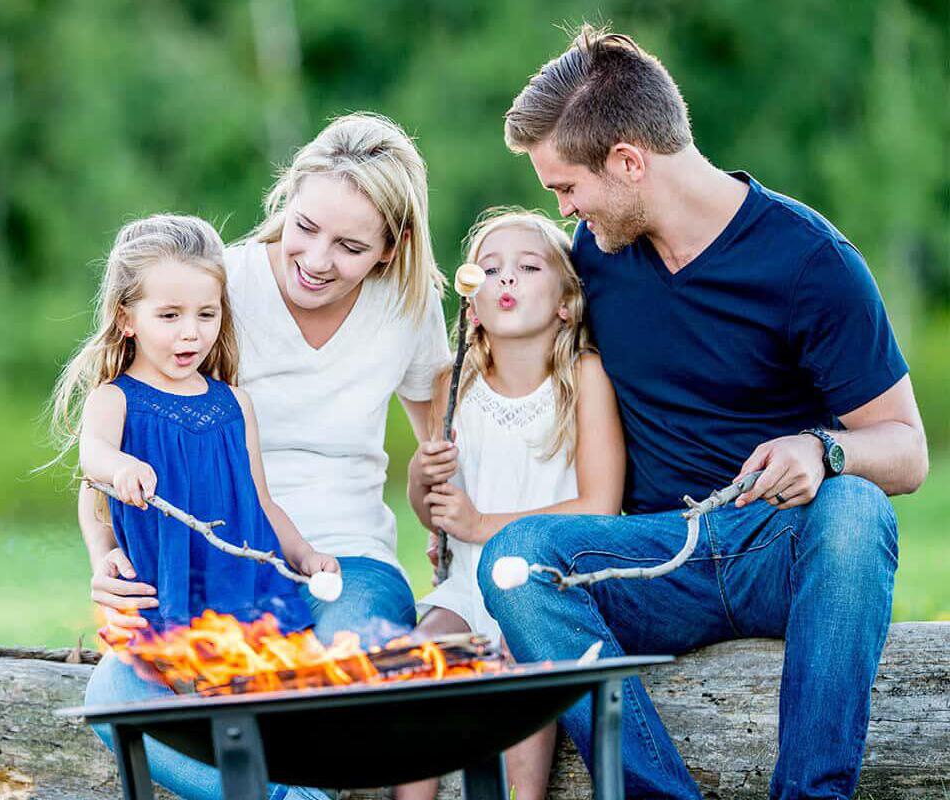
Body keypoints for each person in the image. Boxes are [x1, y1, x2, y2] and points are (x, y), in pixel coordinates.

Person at [479, 25, 930, 799]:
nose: (564, 208)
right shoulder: (597, 259)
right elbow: (503, 324)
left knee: (855, 511)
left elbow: (907, 451)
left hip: (779, 550)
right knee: (515, 562)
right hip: (661, 560)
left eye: (566, 187)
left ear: (628, 161)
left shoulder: (811, 263)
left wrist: (821, 450)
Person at [78, 111, 451, 799]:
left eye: (348, 245)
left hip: (347, 560)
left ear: (391, 248)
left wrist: (445, 536)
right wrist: (103, 554)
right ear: (287, 201)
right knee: (114, 693)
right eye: (304, 227)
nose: (314, 259)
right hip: (215, 562)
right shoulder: (217, 289)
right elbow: (112, 441)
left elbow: (441, 434)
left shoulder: (409, 305)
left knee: (335, 689)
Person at [47, 213, 338, 800]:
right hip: (166, 596)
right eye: (170, 316)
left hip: (242, 594)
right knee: (135, 698)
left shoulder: (234, 403)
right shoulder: (116, 400)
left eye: (206, 315)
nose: (191, 334)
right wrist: (118, 479)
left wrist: (305, 554)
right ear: (127, 318)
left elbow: (259, 500)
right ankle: (277, 797)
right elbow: (93, 463)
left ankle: (289, 785)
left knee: (264, 708)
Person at [399, 208, 625, 800]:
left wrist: (481, 523)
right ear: (471, 303)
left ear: (565, 302)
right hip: (465, 585)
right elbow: (437, 514)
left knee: (510, 655)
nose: (506, 279)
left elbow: (600, 505)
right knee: (418, 655)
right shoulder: (456, 385)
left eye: (527, 268)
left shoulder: (585, 378)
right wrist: (422, 477)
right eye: (490, 269)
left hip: (545, 592)